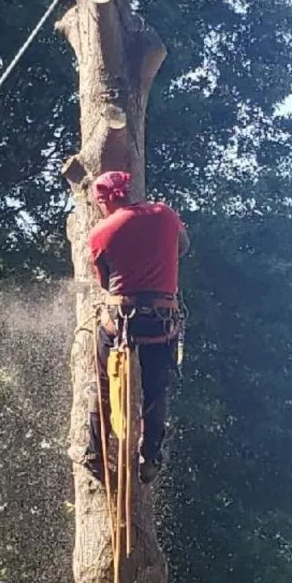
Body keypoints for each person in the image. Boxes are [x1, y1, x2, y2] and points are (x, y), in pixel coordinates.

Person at [84, 170, 190, 484]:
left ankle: (95, 453)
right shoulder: (165, 215)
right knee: (156, 390)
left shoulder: (101, 232)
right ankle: (151, 456)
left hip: (120, 324)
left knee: (103, 385)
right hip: (161, 322)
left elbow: (105, 283)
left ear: (103, 200)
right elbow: (182, 247)